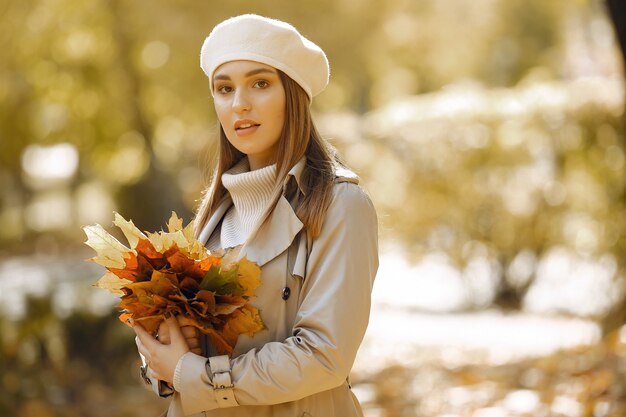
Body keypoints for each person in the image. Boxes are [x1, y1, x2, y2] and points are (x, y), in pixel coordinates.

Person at [132, 14, 379, 417]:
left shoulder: (340, 205)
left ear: (293, 94)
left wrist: (192, 374)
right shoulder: (211, 216)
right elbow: (174, 362)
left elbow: (324, 356)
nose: (239, 103)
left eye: (260, 83)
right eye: (224, 88)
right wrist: (161, 354)